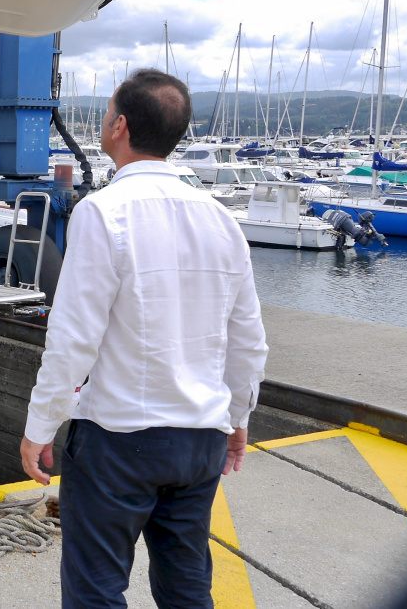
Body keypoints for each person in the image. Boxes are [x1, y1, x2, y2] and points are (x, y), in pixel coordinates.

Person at [19, 69, 268, 609]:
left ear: (119, 126)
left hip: (119, 437)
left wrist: (41, 424)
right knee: (186, 585)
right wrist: (238, 420)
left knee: (96, 589)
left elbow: (73, 335)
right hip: (200, 438)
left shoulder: (102, 213)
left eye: (107, 112)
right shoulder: (224, 221)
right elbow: (247, 341)